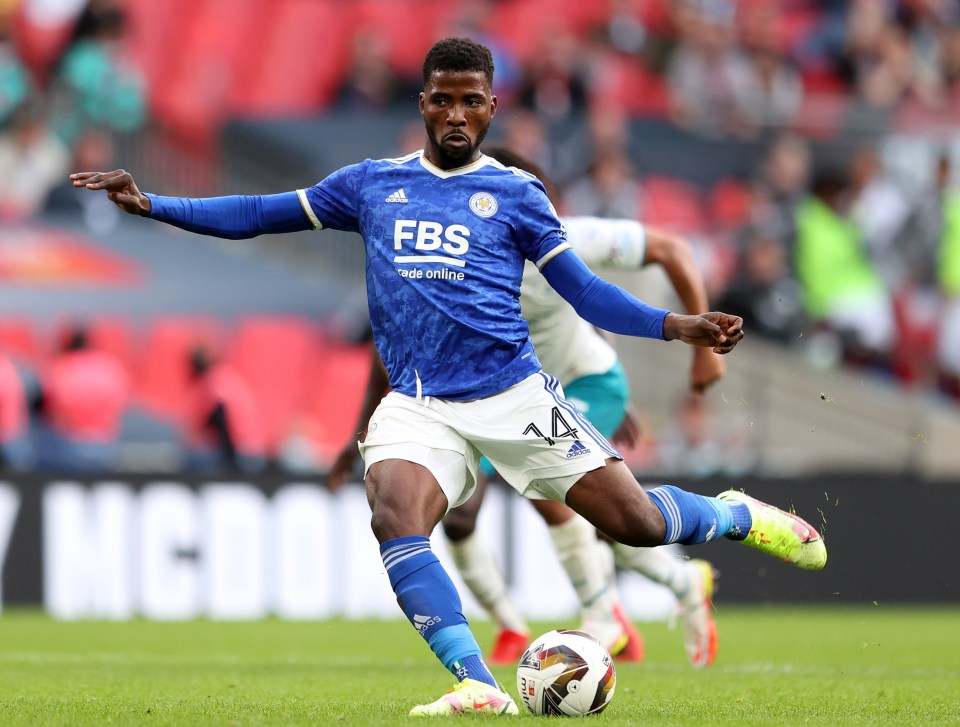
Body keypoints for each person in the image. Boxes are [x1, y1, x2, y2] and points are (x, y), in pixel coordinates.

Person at [73, 37, 827, 717]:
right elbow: (260, 212)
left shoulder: (519, 196)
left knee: (636, 523)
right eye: (445, 98)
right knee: (395, 508)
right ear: (425, 102)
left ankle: (736, 514)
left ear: (492, 107)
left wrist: (679, 326)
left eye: (473, 99)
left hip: (515, 396)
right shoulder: (371, 184)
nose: (458, 112)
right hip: (421, 404)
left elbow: (586, 293)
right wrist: (153, 204)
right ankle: (477, 681)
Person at [328, 144, 726, 670]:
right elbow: (395, 353)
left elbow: (671, 250)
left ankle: (603, 616)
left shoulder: (570, 235)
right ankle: (531, 623)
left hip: (585, 382)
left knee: (556, 493)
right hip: (506, 396)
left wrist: (700, 353)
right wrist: (358, 436)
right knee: (471, 513)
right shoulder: (451, 255)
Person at [33, 324, 129, 473]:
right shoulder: (111, 367)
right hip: (105, 448)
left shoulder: (61, 368)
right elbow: (121, 402)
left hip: (66, 448)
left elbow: (42, 407)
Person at [182, 345, 267, 473]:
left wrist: (229, 458)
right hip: (251, 450)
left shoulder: (216, 379)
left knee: (192, 461)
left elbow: (222, 415)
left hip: (242, 452)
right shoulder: (225, 376)